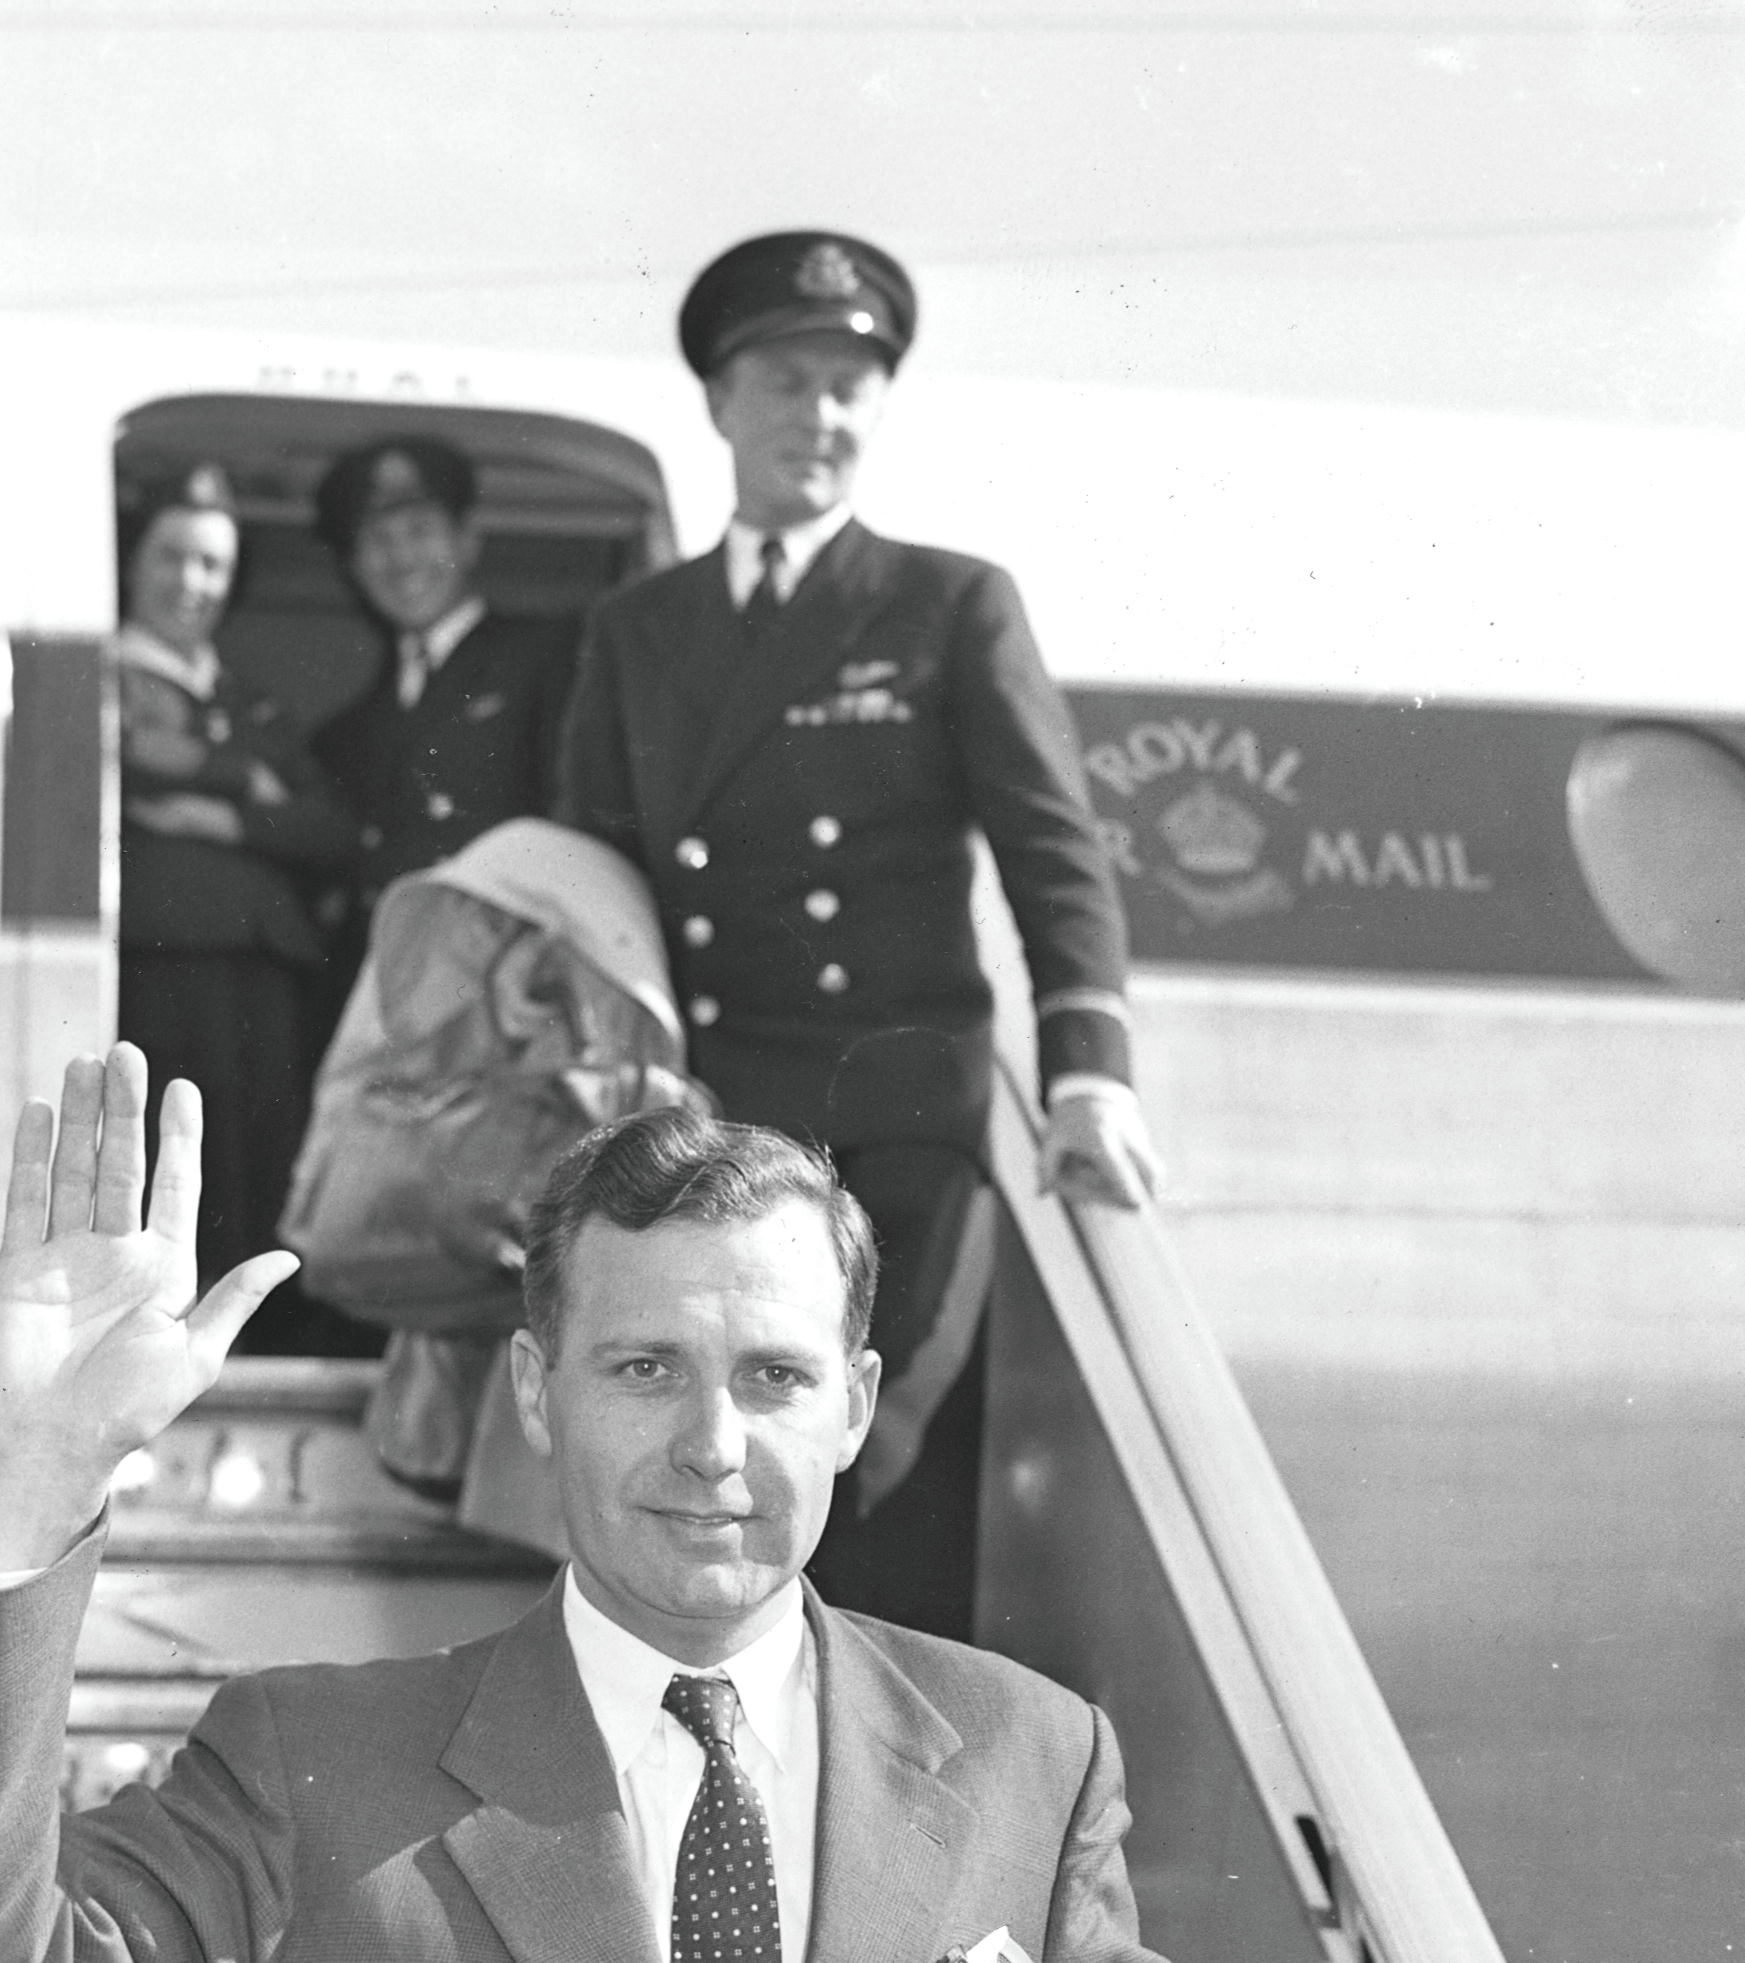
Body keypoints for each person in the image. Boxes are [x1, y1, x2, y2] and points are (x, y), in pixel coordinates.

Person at [0, 1046, 1165, 1963]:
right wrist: (29, 1484)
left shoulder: (1030, 1761)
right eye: (645, 1365)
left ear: (856, 1403)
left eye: (776, 1375)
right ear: (538, 1390)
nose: (714, 1443)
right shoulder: (300, 1763)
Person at [556, 231, 1163, 1640]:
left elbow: (1053, 846)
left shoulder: (947, 602)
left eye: (847, 385)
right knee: (700, 1448)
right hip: (712, 1117)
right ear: (720, 403)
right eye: (785, 381)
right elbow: (595, 870)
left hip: (898, 1124)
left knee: (866, 1460)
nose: (816, 417)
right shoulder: (638, 628)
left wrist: (1089, 1068)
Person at [109, 462, 359, 1352]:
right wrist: (252, 786)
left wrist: (220, 805)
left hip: (266, 964)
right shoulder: (109, 679)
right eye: (172, 556)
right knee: (181, 1163)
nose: (190, 583)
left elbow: (330, 829)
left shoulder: (247, 698)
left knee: (260, 1167)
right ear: (132, 563)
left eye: (212, 565)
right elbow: (135, 759)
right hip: (165, 957)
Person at [307, 432, 581, 1001]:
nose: (401, 558)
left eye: (420, 531)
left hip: (500, 986)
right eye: (377, 540)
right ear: (354, 566)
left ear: (468, 539)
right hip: (381, 994)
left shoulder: (547, 659)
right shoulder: (345, 730)